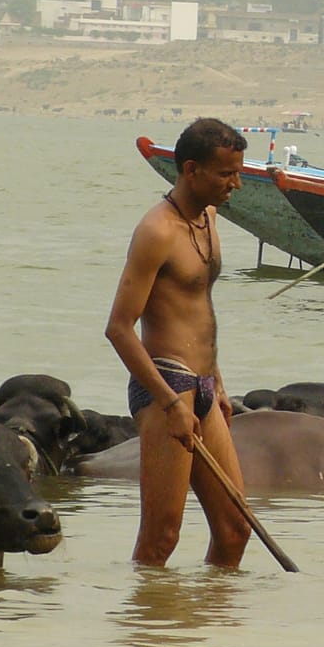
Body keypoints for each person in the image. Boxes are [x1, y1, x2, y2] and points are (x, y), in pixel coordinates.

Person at [105, 117, 253, 567]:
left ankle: (203, 631)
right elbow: (118, 327)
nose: (237, 184)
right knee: (161, 537)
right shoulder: (157, 231)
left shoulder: (208, 218)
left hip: (204, 388)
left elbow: (198, 310)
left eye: (238, 172)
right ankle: (148, 633)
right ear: (191, 170)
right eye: (226, 174)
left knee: (235, 530)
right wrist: (171, 404)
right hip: (165, 387)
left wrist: (219, 384)